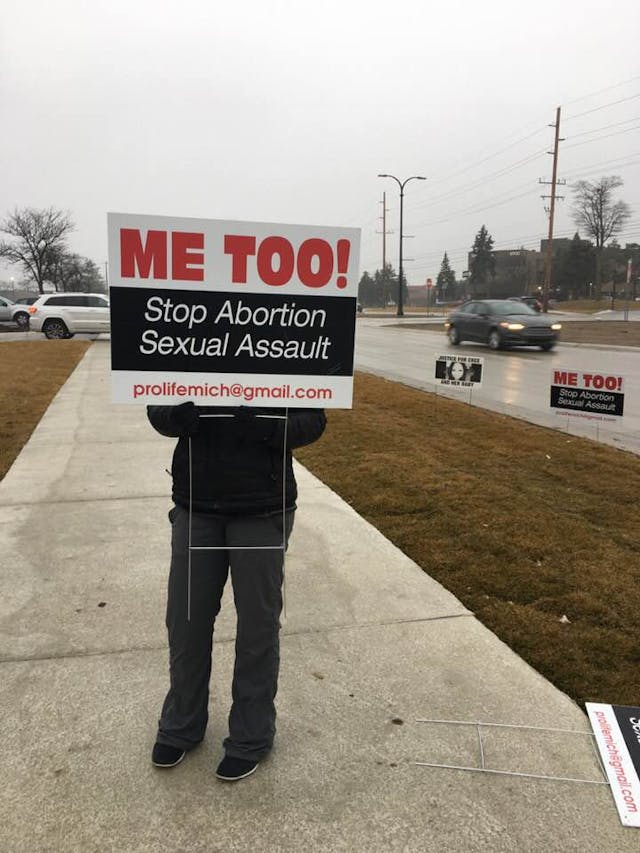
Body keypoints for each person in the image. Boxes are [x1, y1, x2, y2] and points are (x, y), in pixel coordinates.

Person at [147, 401, 326, 781]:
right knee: (186, 620)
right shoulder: (184, 343)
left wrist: (265, 427)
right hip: (196, 506)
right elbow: (155, 406)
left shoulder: (287, 350)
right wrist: (175, 417)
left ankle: (251, 735)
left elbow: (313, 421)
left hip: (262, 509)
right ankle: (181, 724)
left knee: (257, 628)